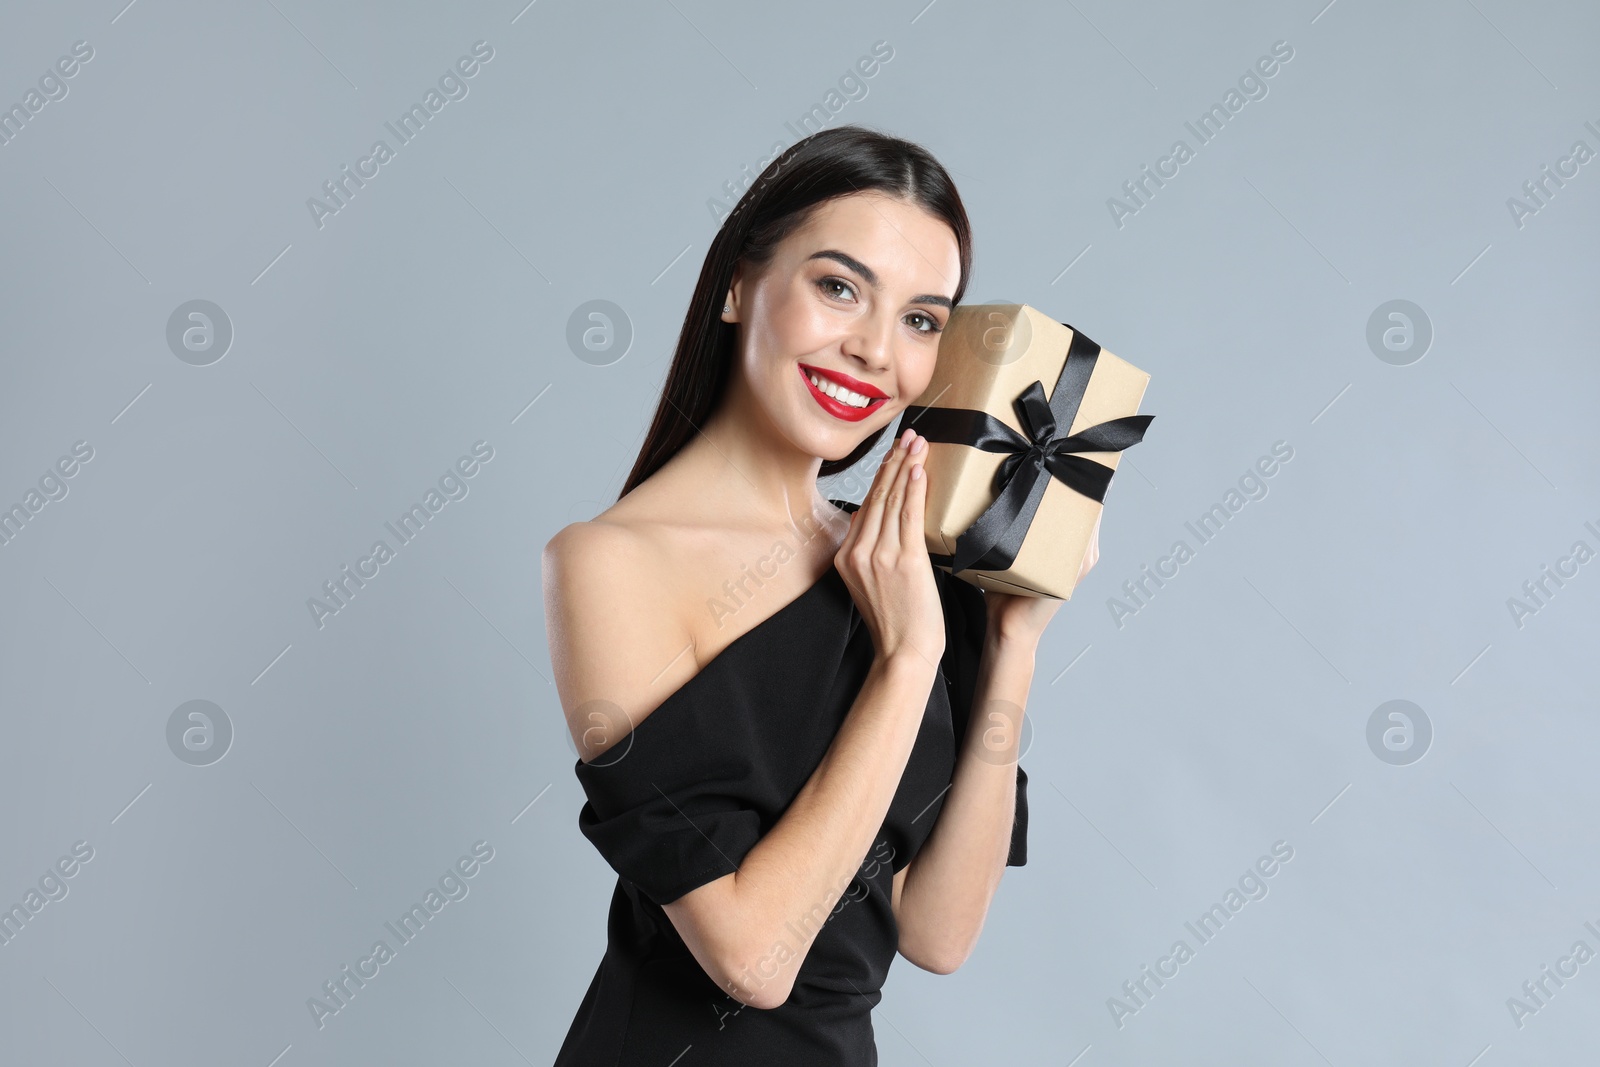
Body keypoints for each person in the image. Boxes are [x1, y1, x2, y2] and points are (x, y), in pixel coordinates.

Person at [542, 125, 1094, 1064]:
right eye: (839, 287)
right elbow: (753, 958)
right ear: (738, 286)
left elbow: (935, 933)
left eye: (922, 319)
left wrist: (1012, 644)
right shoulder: (609, 563)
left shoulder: (904, 561)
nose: (875, 350)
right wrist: (906, 657)